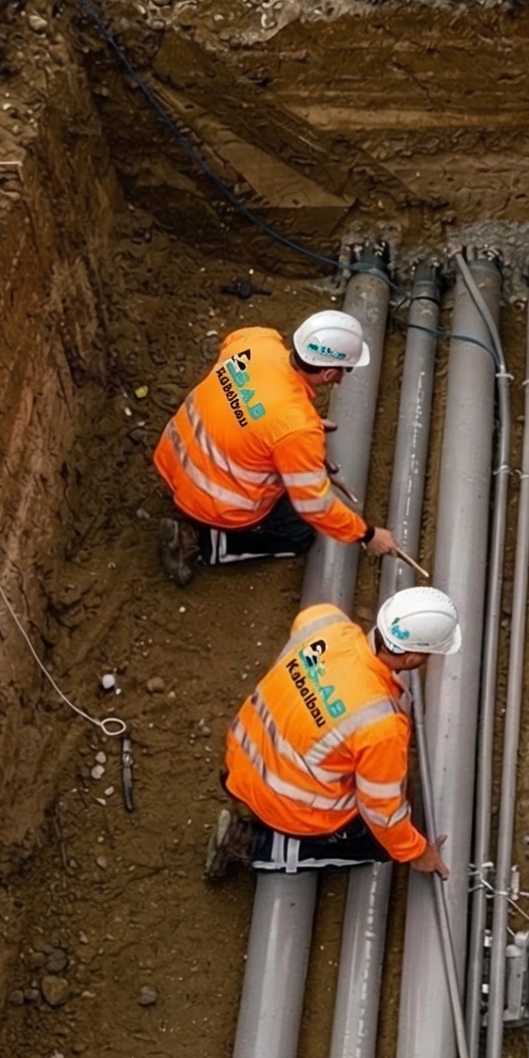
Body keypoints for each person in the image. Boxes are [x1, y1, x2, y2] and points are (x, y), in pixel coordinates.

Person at [205, 585, 461, 880]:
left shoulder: (326, 621)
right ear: (410, 658)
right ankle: (254, 846)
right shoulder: (380, 724)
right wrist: (416, 851)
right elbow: (381, 812)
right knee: (380, 844)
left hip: (242, 756)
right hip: (283, 801)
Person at [154, 309, 403, 585]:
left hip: (172, 456)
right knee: (299, 533)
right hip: (208, 500)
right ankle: (205, 544)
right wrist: (368, 535)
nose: (342, 378)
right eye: (344, 371)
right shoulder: (296, 428)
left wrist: (274, 422)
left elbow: (250, 392)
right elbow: (315, 507)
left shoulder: (258, 340)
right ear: (329, 372)